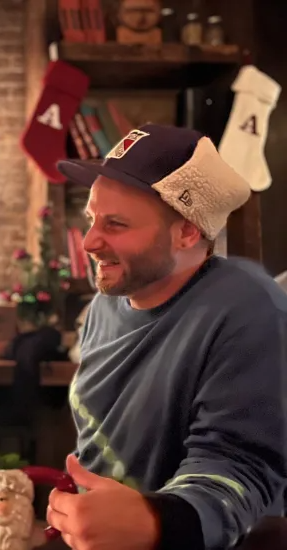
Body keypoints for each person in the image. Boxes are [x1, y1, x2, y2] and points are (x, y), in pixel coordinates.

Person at [45, 124, 287, 550]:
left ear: (187, 231)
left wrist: (154, 521)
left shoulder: (248, 308)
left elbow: (241, 469)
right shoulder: (105, 305)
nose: (89, 242)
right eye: (92, 219)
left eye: (116, 224)